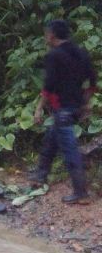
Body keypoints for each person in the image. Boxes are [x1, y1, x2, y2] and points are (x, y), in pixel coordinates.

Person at [30, 19, 98, 204]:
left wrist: (38, 109)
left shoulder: (54, 55)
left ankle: (81, 192)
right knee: (52, 139)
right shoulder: (80, 53)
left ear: (51, 35)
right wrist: (86, 102)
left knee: (70, 151)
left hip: (63, 110)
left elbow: (49, 85)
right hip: (75, 108)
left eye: (46, 33)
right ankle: (39, 176)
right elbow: (92, 80)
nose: (45, 36)